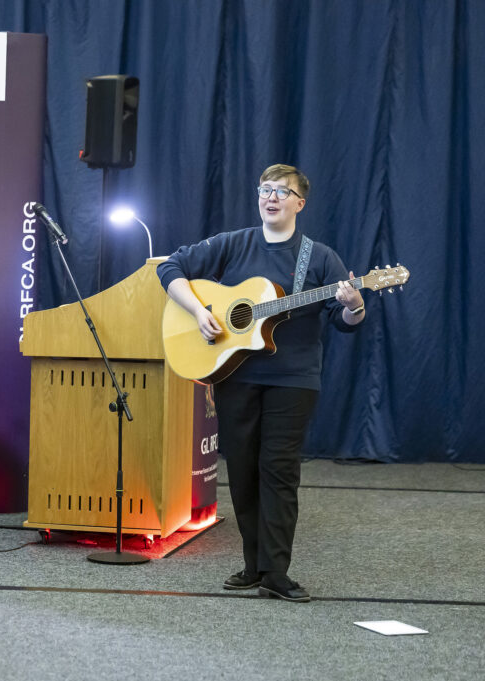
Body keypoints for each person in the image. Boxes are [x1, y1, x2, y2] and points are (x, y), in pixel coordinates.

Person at [157, 164, 364, 603]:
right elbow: (171, 267)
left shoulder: (319, 257)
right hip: (235, 375)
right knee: (243, 471)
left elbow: (345, 321)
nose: (271, 197)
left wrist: (354, 305)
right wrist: (198, 311)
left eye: (282, 192)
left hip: (293, 380)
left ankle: (275, 572)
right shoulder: (234, 243)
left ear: (299, 203)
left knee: (279, 471)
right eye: (266, 190)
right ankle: (252, 564)